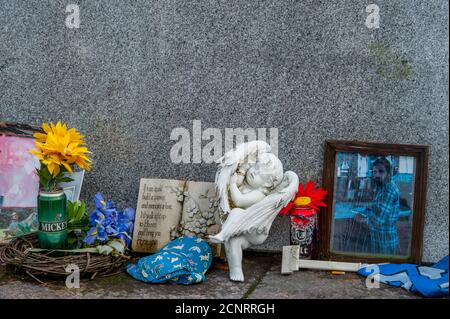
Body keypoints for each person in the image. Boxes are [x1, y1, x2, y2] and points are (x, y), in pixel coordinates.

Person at [356, 157, 400, 255]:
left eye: (381, 171)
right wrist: (373, 207)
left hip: (385, 241)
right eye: (374, 172)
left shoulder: (388, 190)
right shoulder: (383, 186)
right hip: (380, 238)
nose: (376, 175)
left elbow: (378, 221)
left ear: (388, 173)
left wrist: (362, 219)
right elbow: (382, 208)